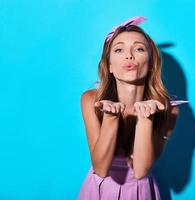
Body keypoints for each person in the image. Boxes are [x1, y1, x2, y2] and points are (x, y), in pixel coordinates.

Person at [77, 16, 186, 200]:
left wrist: (145, 119)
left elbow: (141, 170)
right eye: (119, 49)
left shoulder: (170, 111)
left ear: (151, 64)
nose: (129, 55)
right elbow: (101, 169)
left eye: (139, 48)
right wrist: (111, 119)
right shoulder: (91, 99)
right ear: (109, 65)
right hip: (98, 191)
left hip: (140, 191)